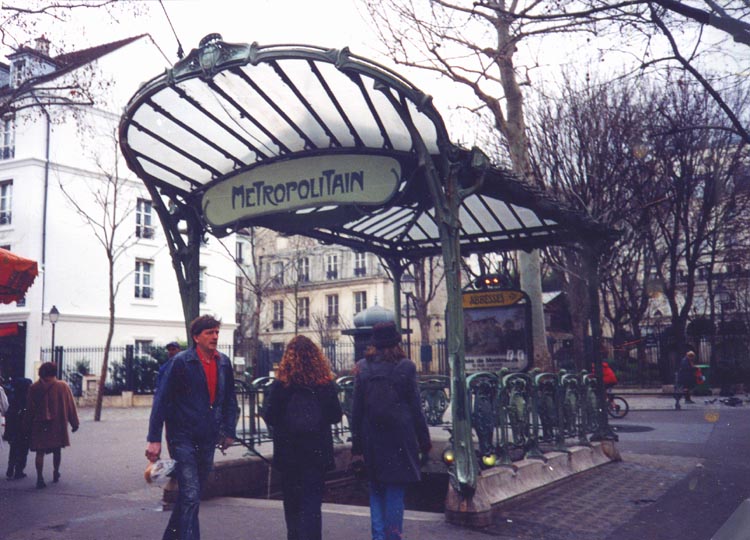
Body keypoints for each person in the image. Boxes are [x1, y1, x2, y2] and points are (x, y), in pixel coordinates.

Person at [146, 315, 238, 540]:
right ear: (196, 337)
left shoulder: (223, 363)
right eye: (209, 333)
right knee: (191, 494)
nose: (215, 337)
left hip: (207, 438)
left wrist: (228, 431)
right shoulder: (181, 362)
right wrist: (154, 438)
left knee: (191, 494)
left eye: (217, 332)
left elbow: (229, 401)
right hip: (182, 437)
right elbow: (162, 400)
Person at [351, 322, 431, 540]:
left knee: (375, 489)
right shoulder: (406, 367)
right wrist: (424, 441)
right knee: (395, 490)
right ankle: (393, 536)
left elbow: (356, 410)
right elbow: (416, 407)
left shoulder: (362, 367)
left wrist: (356, 445)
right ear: (397, 342)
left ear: (373, 344)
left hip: (371, 438)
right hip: (400, 438)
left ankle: (378, 537)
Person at [263, 335, 343, 540]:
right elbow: (335, 415)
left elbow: (270, 416)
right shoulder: (324, 384)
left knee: (292, 503)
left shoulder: (280, 386)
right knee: (312, 503)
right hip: (316, 453)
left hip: (289, 454)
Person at [24, 362, 79, 489]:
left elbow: (29, 409)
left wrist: (26, 425)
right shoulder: (63, 386)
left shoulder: (34, 387)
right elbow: (70, 405)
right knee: (57, 450)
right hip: (57, 424)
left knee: (40, 452)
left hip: (39, 424)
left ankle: (40, 478)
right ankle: (55, 472)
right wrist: (74, 423)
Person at [4, 376, 32, 480]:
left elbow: (8, 413)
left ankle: (10, 467)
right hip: (24, 427)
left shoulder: (13, 397)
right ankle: (19, 471)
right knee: (23, 449)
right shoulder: (28, 398)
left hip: (14, 427)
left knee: (13, 448)